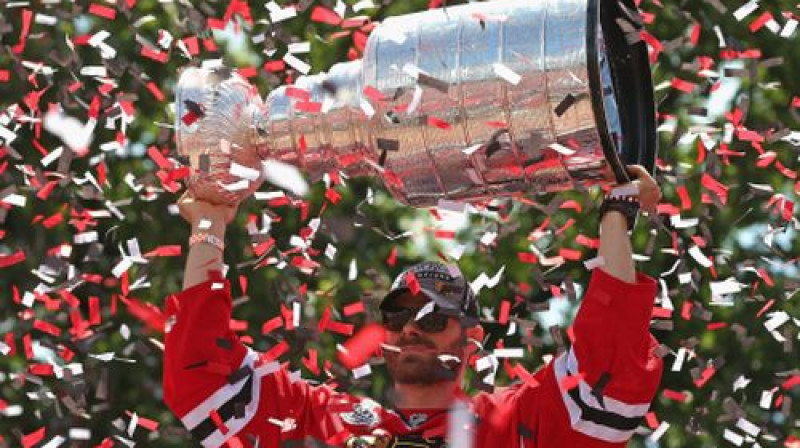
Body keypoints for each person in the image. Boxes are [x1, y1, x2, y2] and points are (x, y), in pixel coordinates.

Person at [163, 165, 664, 447]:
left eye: (435, 316)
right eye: (399, 316)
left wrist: (616, 219)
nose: (412, 328)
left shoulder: (513, 422)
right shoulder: (329, 421)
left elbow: (609, 378)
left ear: (472, 341)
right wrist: (208, 225)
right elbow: (203, 381)